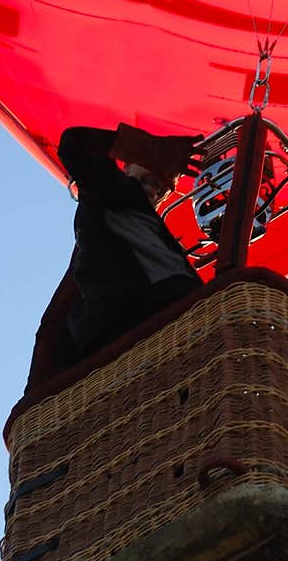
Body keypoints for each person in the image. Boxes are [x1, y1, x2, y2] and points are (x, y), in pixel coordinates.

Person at [22, 123, 203, 397]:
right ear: (127, 168)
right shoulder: (108, 193)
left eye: (160, 187)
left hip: (167, 334)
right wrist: (151, 149)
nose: (152, 190)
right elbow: (74, 144)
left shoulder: (147, 229)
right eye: (146, 178)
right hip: (132, 324)